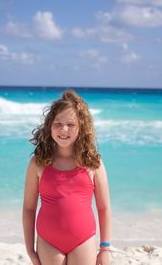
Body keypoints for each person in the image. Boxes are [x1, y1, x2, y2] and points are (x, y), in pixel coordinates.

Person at [22, 89, 112, 265]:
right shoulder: (38, 163)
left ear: (81, 128)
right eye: (58, 123)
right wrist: (30, 250)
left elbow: (104, 208)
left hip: (83, 240)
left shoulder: (93, 163)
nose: (64, 130)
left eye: (71, 125)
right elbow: (28, 209)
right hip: (48, 242)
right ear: (50, 126)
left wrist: (105, 248)